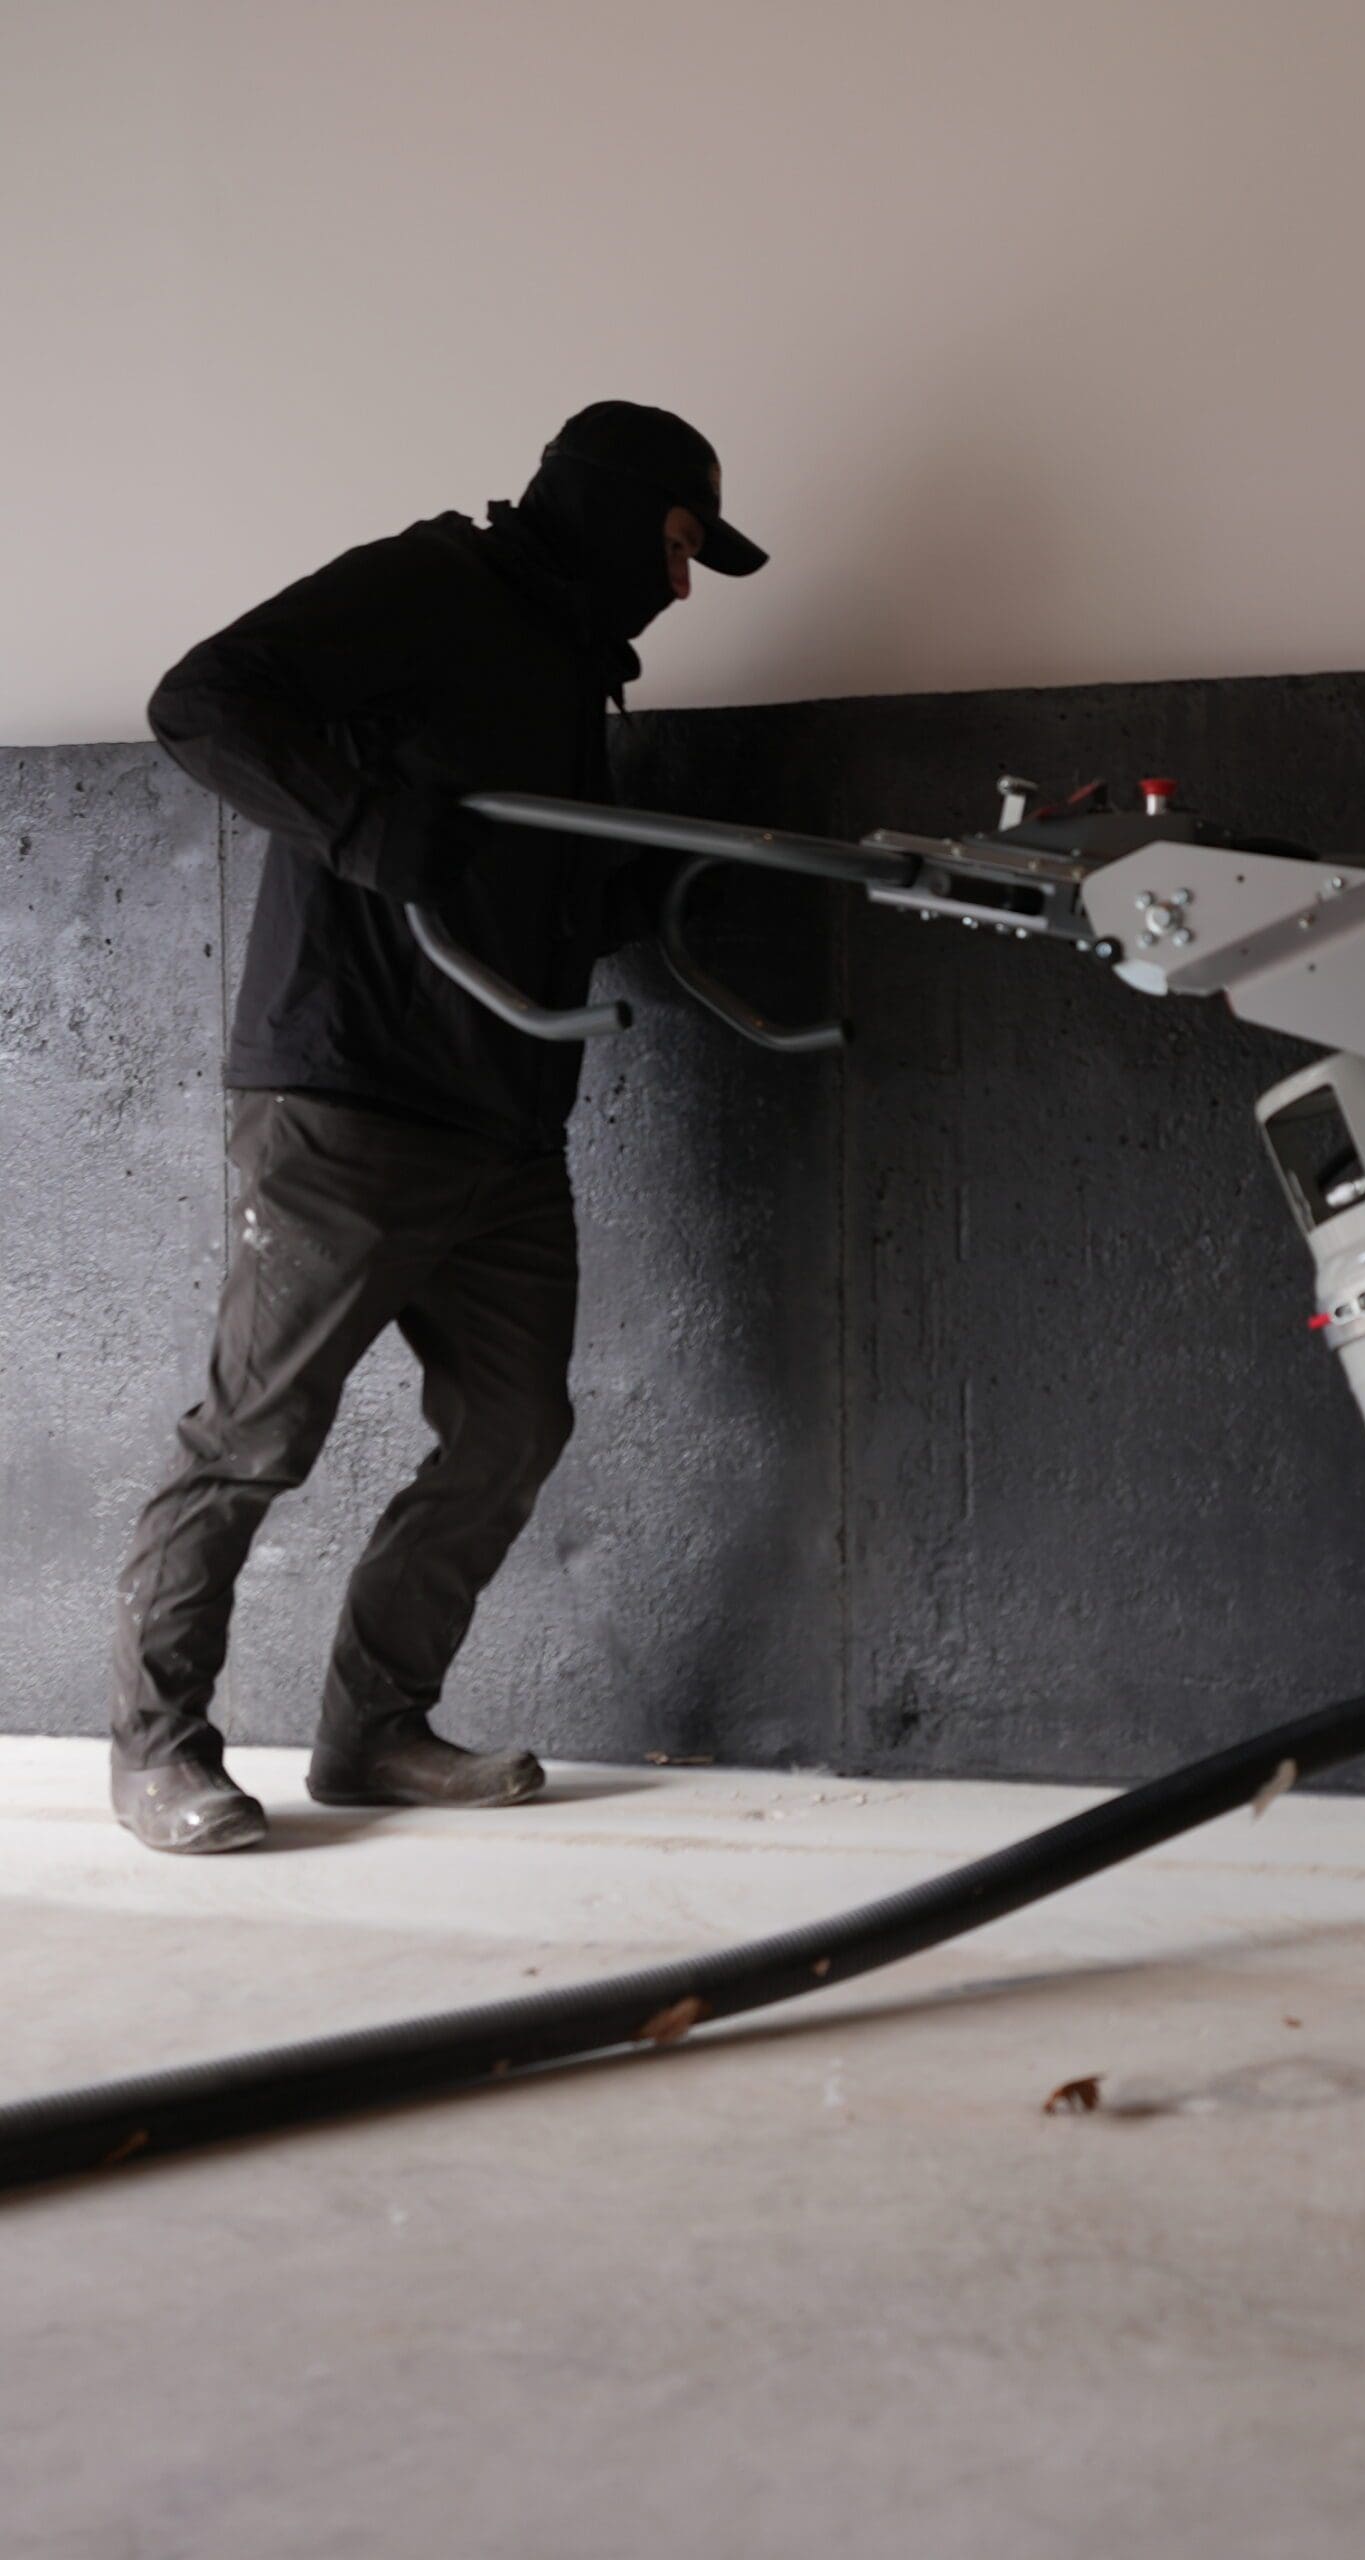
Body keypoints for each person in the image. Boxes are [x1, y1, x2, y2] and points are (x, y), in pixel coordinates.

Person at [110, 402, 768, 1853]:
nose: (679, 586)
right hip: (350, 1099)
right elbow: (198, 700)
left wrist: (665, 889)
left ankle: (373, 1733)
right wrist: (359, 823)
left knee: (512, 1429)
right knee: (256, 1435)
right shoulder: (432, 586)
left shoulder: (566, 668)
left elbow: (520, 883)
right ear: (606, 511)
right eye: (674, 545)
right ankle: (158, 1751)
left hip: (506, 1121)